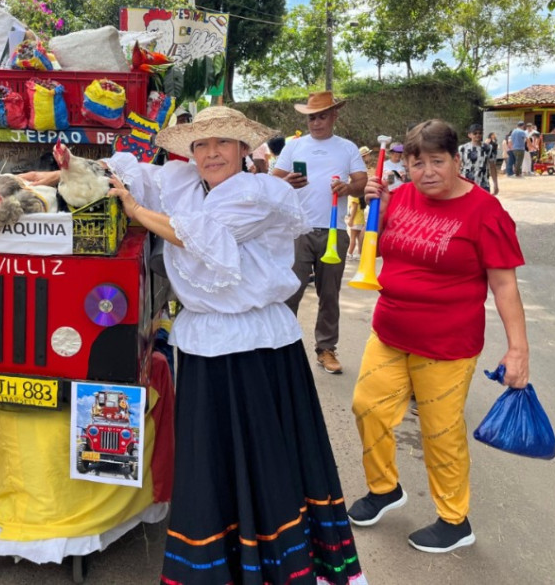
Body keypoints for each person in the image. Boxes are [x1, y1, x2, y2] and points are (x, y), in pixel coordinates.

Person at [22, 106, 367, 583]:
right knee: (211, 462)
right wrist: (61, 175)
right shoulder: (184, 181)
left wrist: (136, 212)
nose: (211, 153)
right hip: (206, 341)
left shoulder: (260, 192)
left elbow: (200, 234)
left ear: (243, 148)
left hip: (256, 345)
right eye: (201, 144)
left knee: (264, 459)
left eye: (223, 142)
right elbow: (134, 173)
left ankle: (278, 566)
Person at [347, 119, 531, 554]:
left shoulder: (485, 211)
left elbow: (504, 284)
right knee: (367, 407)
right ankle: (384, 489)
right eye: (417, 163)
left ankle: (454, 520)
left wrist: (518, 349)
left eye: (436, 161)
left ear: (455, 160)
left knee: (440, 432)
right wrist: (376, 211)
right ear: (406, 164)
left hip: (447, 345)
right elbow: (380, 245)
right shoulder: (400, 197)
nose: (427, 172)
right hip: (390, 330)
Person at [272, 92, 368, 375]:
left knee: (329, 294)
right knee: (289, 291)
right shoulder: (294, 146)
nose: (315, 122)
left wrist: (348, 188)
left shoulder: (347, 148)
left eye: (322, 116)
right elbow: (273, 181)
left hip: (334, 230)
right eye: (311, 117)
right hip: (296, 229)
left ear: (334, 115)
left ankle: (326, 348)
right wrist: (288, 181)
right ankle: (281, 348)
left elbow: (361, 181)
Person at [458, 123, 499, 194]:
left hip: (483, 183)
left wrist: (495, 184)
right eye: (475, 133)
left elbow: (492, 166)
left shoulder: (488, 148)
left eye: (480, 133)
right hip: (466, 183)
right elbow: (457, 166)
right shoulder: (463, 148)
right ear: (469, 135)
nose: (478, 135)